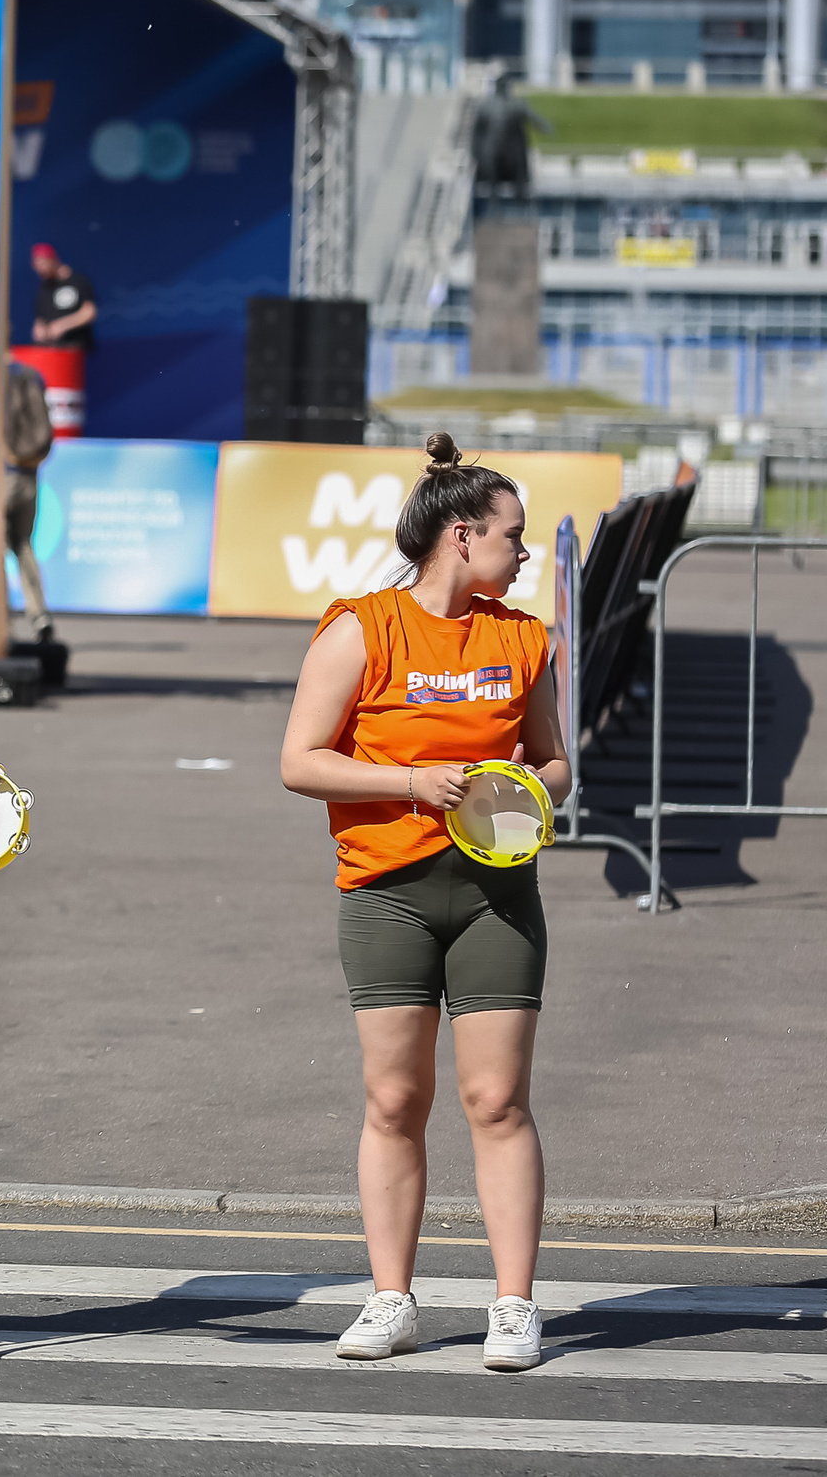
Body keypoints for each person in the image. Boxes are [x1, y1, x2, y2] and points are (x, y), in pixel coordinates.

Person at [279, 432, 568, 1375]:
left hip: (497, 893)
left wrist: (536, 785)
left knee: (497, 1099)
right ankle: (391, 1298)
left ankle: (515, 1305)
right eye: (512, 536)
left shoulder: (523, 636)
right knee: (396, 1098)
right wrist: (414, 782)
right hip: (387, 890)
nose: (523, 553)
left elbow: (557, 759)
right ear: (459, 535)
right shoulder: (362, 625)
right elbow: (300, 761)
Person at [0, 356, 56, 643]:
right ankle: (39, 615)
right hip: (30, 474)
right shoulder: (30, 375)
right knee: (23, 545)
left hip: (2, 476)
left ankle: (1, 622)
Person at [29, 244, 96, 353]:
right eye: (37, 266)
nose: (41, 271)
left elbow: (89, 312)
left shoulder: (78, 281)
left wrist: (62, 326)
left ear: (53, 260)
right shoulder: (44, 288)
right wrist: (39, 331)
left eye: (43, 264)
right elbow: (39, 319)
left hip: (75, 350)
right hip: (51, 351)